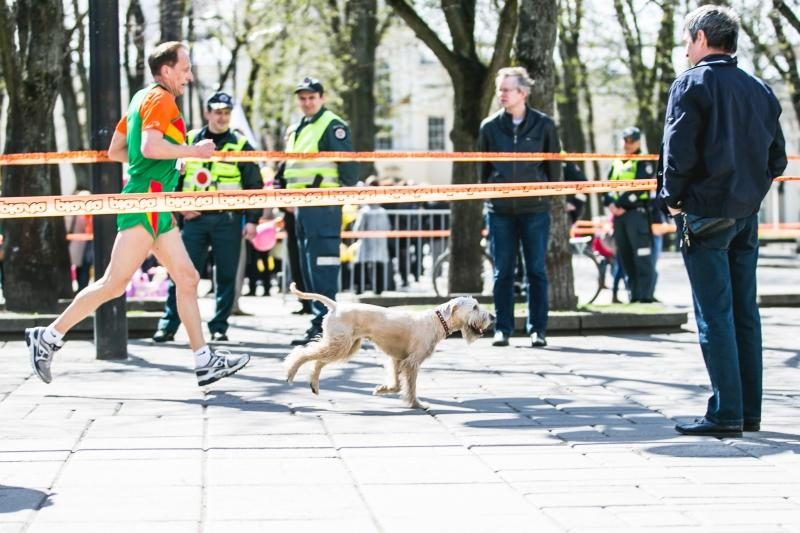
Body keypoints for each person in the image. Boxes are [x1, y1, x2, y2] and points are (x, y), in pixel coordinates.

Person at [24, 42, 250, 386]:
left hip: (155, 203)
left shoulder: (140, 99)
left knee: (187, 279)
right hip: (147, 202)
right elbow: (148, 147)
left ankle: (204, 360)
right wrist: (193, 151)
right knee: (113, 284)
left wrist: (158, 164)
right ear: (166, 71)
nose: (189, 75)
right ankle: (49, 336)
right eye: (185, 68)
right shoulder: (161, 99)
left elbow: (117, 150)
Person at [658, 5, 786, 437]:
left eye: (686, 40)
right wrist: (750, 192)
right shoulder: (760, 89)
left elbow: (678, 151)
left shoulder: (691, 84)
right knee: (744, 312)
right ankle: (749, 410)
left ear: (700, 38)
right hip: (745, 214)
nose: (684, 49)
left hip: (704, 213)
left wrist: (672, 199)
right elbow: (777, 158)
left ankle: (726, 412)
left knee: (714, 313)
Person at [152, 91, 263, 343]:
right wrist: (180, 207)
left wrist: (253, 220)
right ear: (207, 113)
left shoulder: (241, 146)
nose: (222, 117)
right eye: (217, 112)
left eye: (226, 113)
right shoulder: (189, 141)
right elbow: (173, 178)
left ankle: (219, 327)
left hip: (228, 221)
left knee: (226, 276)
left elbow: (254, 185)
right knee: (181, 273)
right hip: (194, 220)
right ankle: (168, 325)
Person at [478, 66, 561, 348]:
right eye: (498, 89)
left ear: (522, 93)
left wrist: (547, 198)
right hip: (500, 211)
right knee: (502, 271)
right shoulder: (489, 127)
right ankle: (503, 328)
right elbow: (483, 170)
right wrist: (489, 201)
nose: (500, 94)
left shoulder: (544, 125)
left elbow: (554, 169)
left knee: (536, 270)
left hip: (535, 210)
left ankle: (538, 329)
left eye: (506, 89)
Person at [284, 77, 358, 345]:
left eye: (311, 97)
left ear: (321, 98)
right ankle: (318, 324)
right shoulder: (297, 128)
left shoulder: (332, 125)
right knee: (309, 269)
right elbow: (289, 167)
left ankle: (326, 327)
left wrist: (338, 193)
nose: (307, 102)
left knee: (322, 267)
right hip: (302, 206)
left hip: (323, 204)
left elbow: (348, 167)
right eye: (302, 98)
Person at [603, 126, 657, 303]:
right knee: (625, 257)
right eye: (625, 140)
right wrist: (610, 203)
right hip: (619, 217)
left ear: (638, 142)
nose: (627, 144)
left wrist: (620, 204)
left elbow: (641, 186)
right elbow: (607, 186)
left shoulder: (644, 161)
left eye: (631, 141)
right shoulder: (617, 162)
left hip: (636, 215)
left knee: (642, 256)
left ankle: (646, 296)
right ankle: (633, 295)